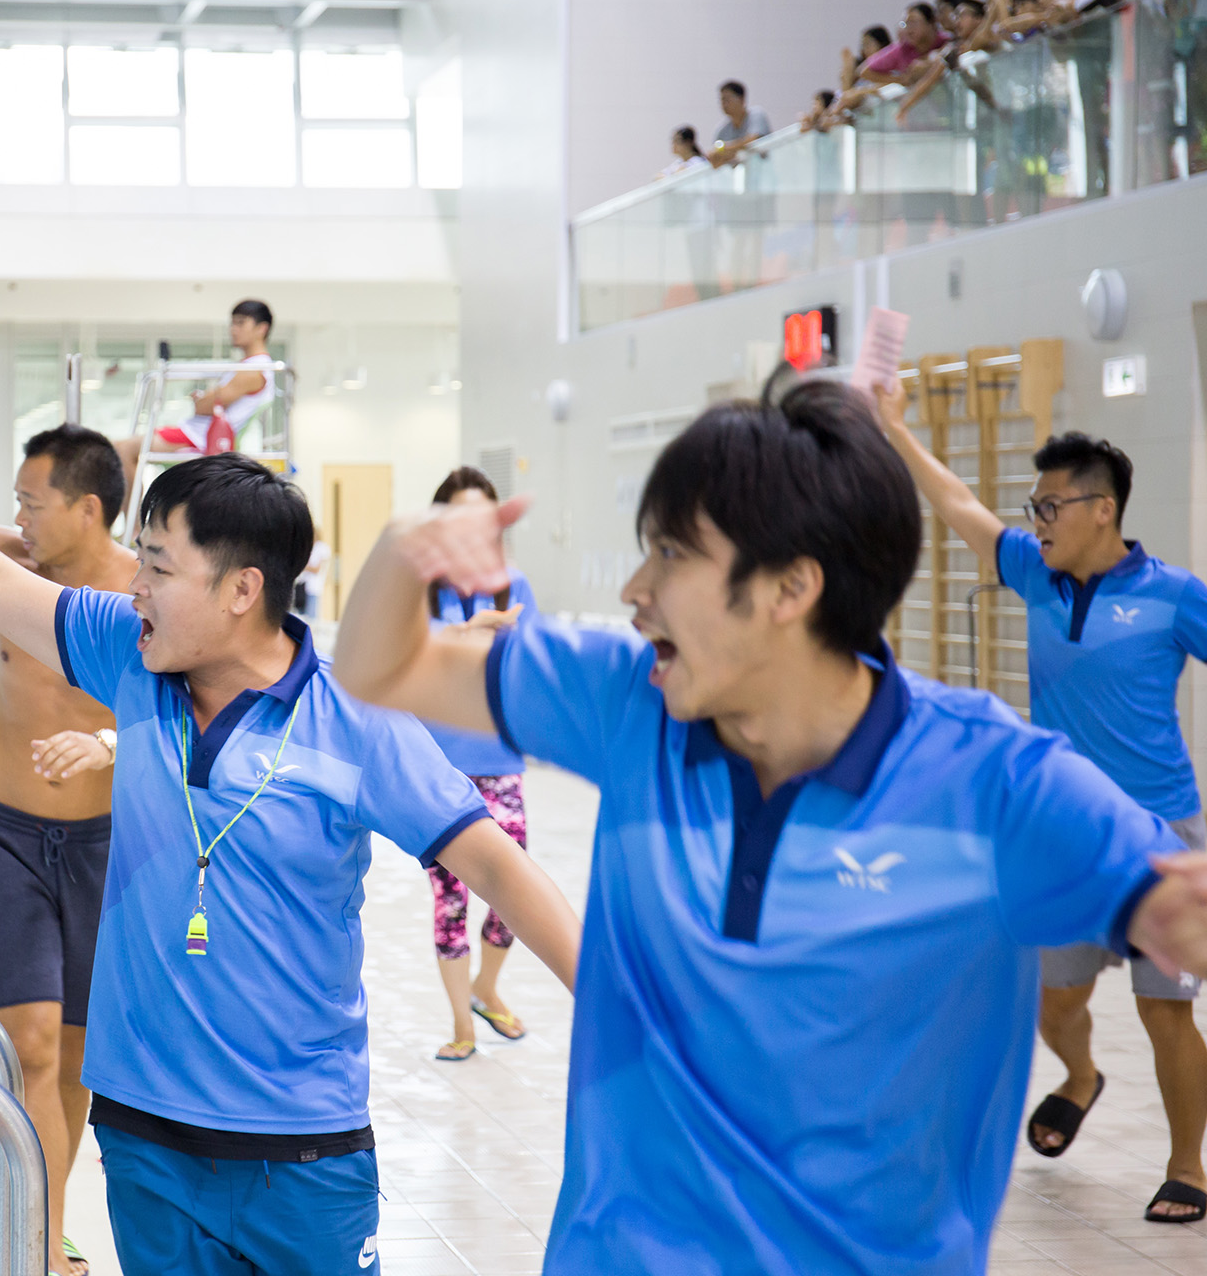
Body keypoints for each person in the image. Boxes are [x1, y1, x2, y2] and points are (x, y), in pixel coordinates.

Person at [333, 375, 1207, 1274]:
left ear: (791, 588)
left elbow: (1176, 910)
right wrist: (408, 549)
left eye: (671, 556)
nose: (636, 590)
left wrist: (1176, 916)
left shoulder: (996, 784)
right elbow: (379, 668)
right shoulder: (634, 704)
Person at [0, 398, 582, 1276]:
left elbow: (497, 865)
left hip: (304, 1149)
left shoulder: (355, 723)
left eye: (159, 566)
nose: (135, 586)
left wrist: (631, 1013)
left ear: (243, 590)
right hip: (148, 1143)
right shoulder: (129, 654)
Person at [876, 407, 1207, 1223]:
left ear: (1103, 509)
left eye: (1049, 507)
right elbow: (956, 503)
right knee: (1054, 1005)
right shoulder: (1033, 571)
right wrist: (894, 429)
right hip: (1061, 835)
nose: (1035, 522)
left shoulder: (1174, 596)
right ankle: (1081, 1077)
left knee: (1165, 1009)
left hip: (1163, 835)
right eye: (1032, 509)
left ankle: (1187, 1165)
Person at [0, 425, 135, 1276]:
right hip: (5, 839)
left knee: (74, 1060)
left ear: (89, 509)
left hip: (105, 848)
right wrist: (20, 528)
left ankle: (49, 1221)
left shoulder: (146, 596)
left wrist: (109, 746)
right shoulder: (16, 579)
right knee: (28, 1047)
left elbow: (188, 726)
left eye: (34, 501)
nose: (19, 516)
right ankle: (39, 1248)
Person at [418, 467, 540, 1063]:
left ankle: (487, 987)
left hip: (500, 757)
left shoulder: (513, 583)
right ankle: (461, 1022)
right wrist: (472, 630)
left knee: (512, 890)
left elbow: (532, 660)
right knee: (449, 899)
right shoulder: (421, 589)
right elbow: (415, 654)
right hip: (439, 767)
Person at [117, 300, 276, 467]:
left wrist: (204, 399)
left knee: (123, 450)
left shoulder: (253, 370)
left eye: (241, 323)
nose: (233, 329)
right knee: (122, 448)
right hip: (196, 433)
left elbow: (203, 407)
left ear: (261, 328)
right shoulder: (246, 367)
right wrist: (208, 398)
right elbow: (212, 403)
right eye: (233, 323)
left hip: (198, 438)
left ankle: (129, 495)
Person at [860, 2, 951, 87]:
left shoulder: (946, 41)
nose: (909, 30)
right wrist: (900, 80)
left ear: (931, 23)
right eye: (905, 24)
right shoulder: (902, 48)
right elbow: (865, 71)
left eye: (913, 23)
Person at [708, 80, 772, 167]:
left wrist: (726, 148)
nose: (724, 104)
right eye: (722, 100)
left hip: (766, 168)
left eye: (727, 99)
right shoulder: (722, 130)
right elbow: (716, 157)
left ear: (741, 99)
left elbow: (753, 139)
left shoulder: (756, 115)